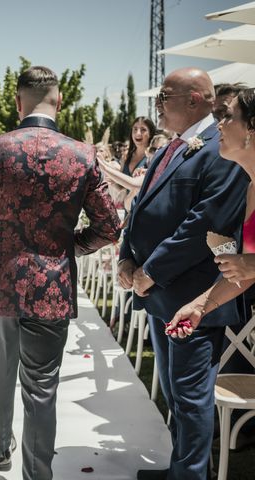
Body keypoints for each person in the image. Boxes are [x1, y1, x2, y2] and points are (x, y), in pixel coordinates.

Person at [0, 66, 121, 480]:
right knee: (42, 388)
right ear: (59, 100)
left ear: (17, 101)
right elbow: (110, 227)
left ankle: (0, 450)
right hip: (51, 286)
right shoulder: (82, 155)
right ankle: (38, 474)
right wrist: (69, 247)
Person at [117, 68, 250, 480]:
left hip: (195, 291)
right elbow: (141, 208)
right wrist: (126, 256)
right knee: (175, 392)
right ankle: (182, 468)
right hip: (162, 293)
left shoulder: (222, 149)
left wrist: (150, 271)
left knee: (191, 397)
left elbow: (203, 223)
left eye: (164, 96)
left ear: (195, 99)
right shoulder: (172, 147)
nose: (157, 104)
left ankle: (191, 474)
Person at [170, 88, 255, 330]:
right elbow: (247, 272)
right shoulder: (252, 190)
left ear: (252, 125)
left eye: (228, 116)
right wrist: (199, 306)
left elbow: (251, 266)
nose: (219, 125)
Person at [104, 116, 155, 211]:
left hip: (143, 211)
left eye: (143, 130)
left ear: (150, 133)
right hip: (127, 211)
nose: (138, 133)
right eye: (135, 129)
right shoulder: (126, 156)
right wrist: (114, 182)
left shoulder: (153, 157)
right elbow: (123, 188)